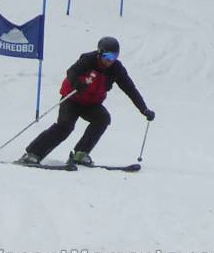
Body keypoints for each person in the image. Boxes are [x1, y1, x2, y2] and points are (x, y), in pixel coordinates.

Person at [19, 36, 155, 166]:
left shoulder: (116, 69)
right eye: (107, 56)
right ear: (99, 53)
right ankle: (32, 154)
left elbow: (130, 89)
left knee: (103, 118)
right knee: (65, 127)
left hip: (91, 104)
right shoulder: (88, 59)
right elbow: (71, 71)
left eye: (114, 57)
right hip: (72, 99)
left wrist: (144, 109)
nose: (110, 61)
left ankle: (81, 153)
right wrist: (77, 83)